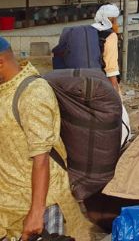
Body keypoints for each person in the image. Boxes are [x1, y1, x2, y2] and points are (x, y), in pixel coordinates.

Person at [0, 37, 94, 240]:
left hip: (41, 204)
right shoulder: (3, 90)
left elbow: (41, 158)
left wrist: (36, 212)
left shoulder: (32, 93)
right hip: (8, 206)